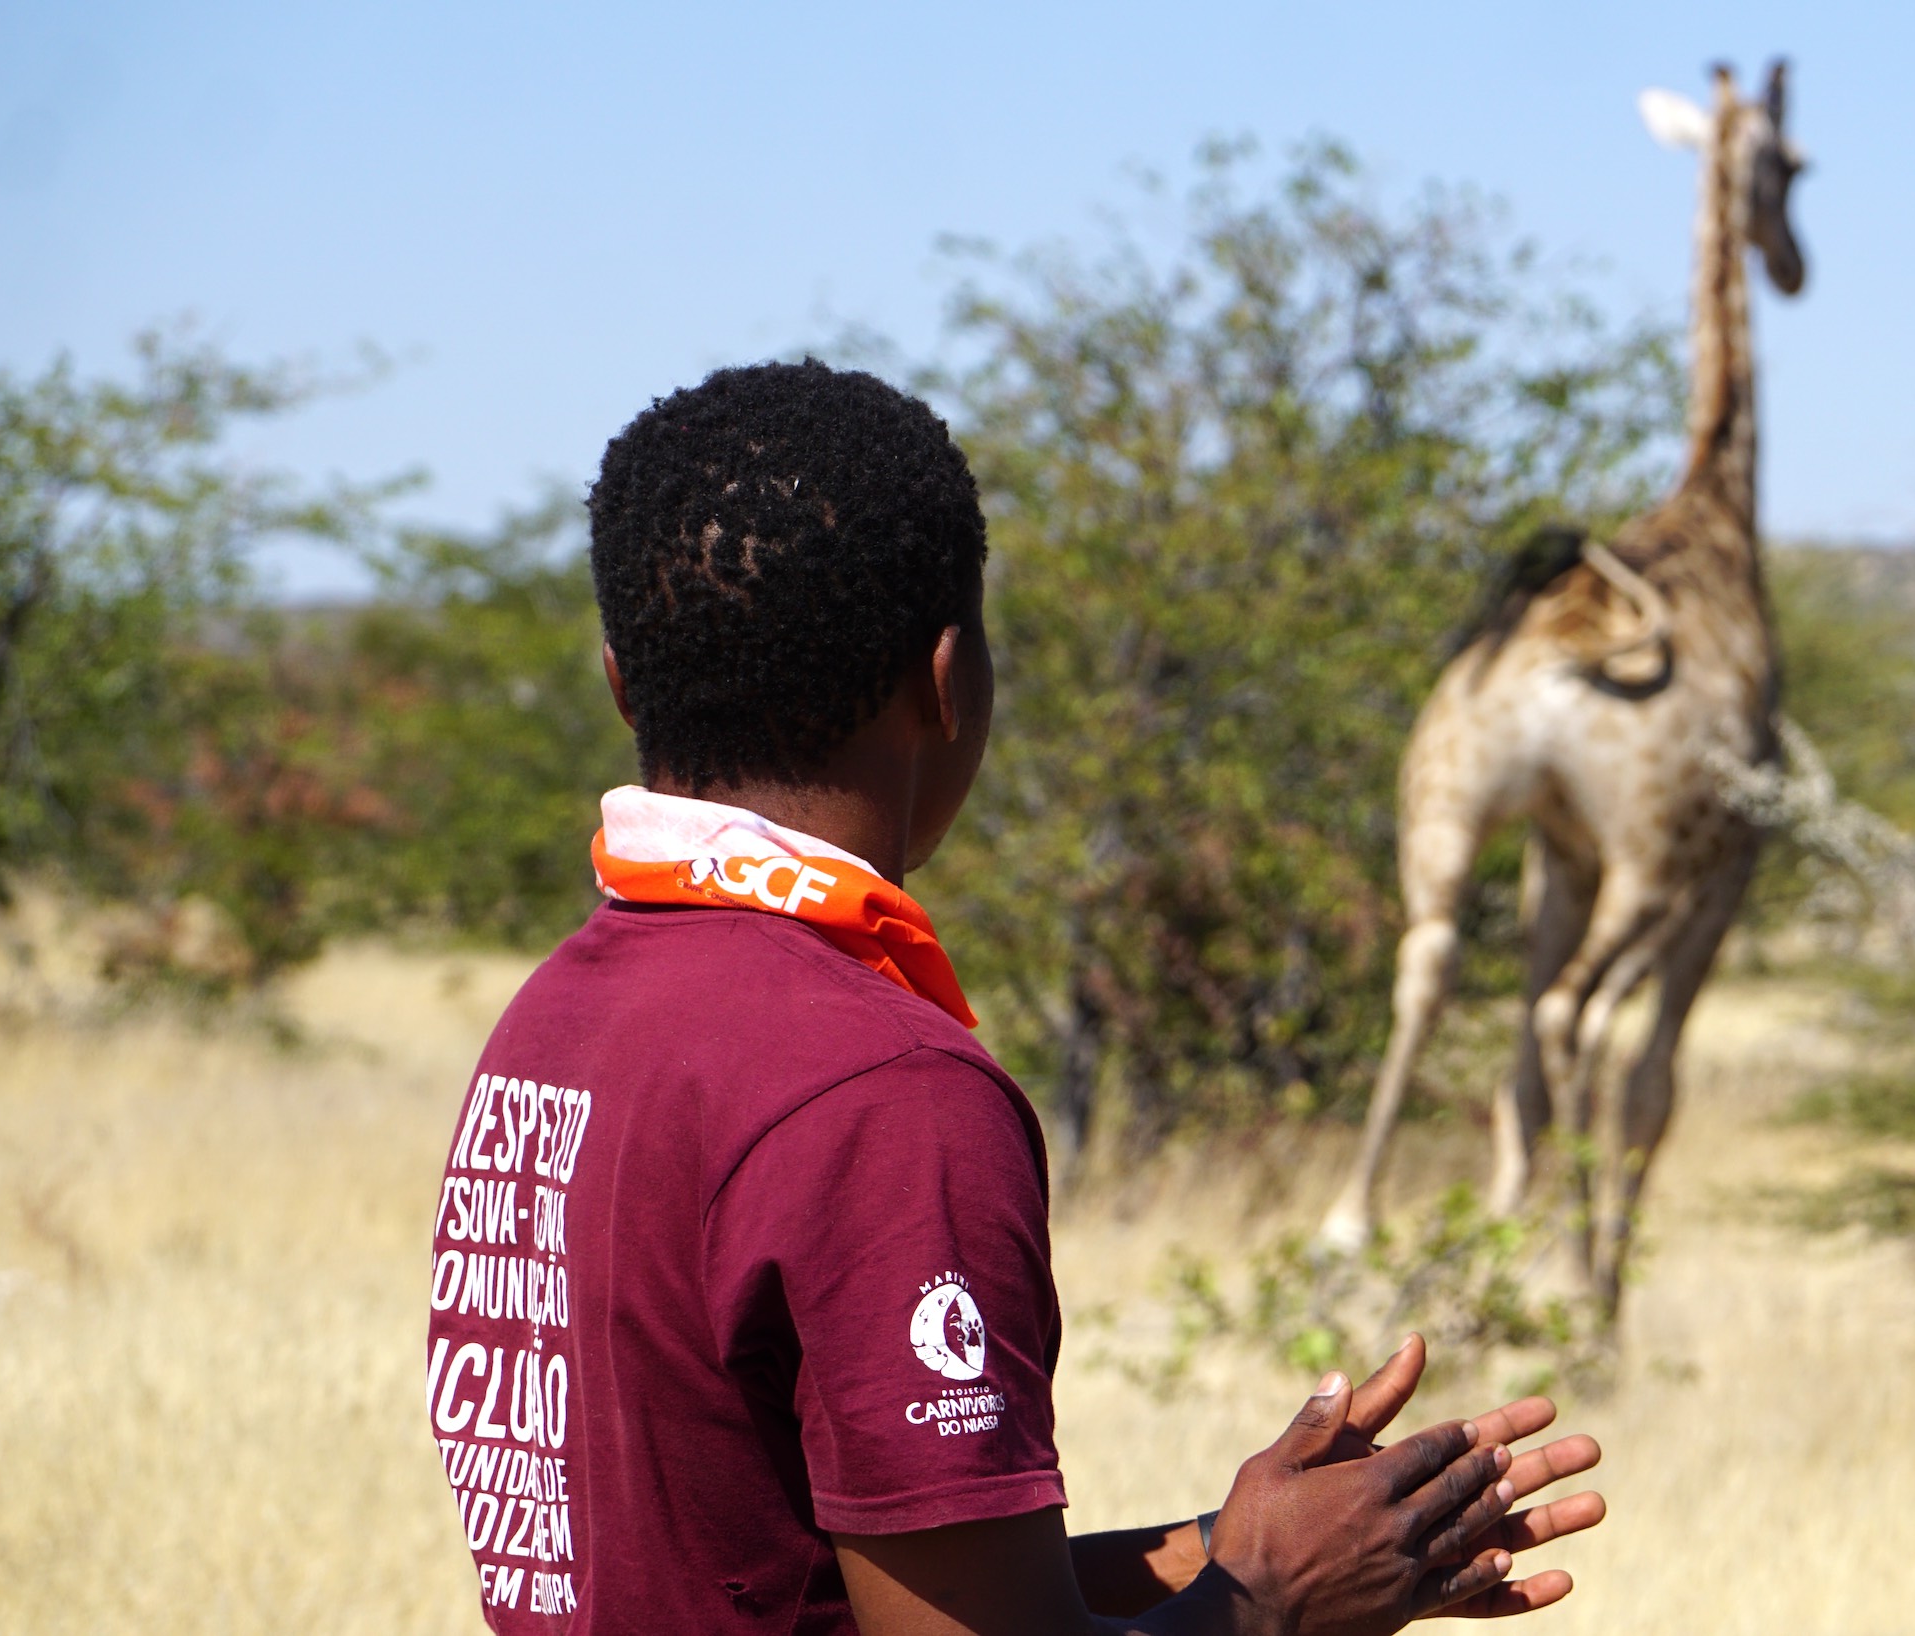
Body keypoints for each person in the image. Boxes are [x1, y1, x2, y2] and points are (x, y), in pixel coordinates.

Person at [423, 359, 1606, 1634]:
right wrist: (1274, 1599)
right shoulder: (883, 1095)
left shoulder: (555, 1022)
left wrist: (1229, 1544)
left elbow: (820, 1580)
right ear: (950, 679)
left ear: (618, 681)